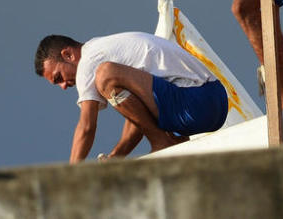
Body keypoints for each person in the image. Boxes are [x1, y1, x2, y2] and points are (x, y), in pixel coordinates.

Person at [34, 32, 228, 162]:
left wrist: (70, 177)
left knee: (105, 74)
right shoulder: (104, 48)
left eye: (59, 77)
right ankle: (165, 141)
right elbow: (138, 114)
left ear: (68, 55)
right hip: (216, 101)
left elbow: (86, 126)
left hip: (196, 102)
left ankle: (162, 141)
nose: (63, 86)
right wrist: (116, 158)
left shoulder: (88, 61)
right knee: (123, 93)